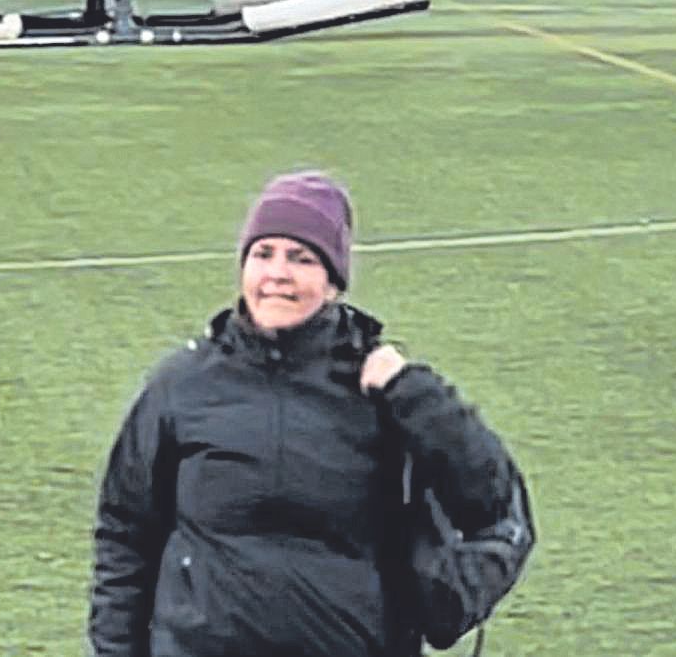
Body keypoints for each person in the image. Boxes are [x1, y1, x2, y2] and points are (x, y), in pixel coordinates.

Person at [87, 170, 522, 657]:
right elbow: (125, 535)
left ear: (333, 282)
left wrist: (415, 393)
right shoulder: (182, 385)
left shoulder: (387, 392)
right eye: (262, 254)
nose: (277, 274)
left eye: (302, 258)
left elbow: (493, 500)